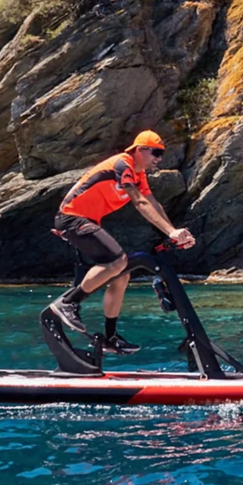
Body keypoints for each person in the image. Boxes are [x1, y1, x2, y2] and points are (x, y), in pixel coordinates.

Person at [49, 131, 195, 354]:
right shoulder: (122, 164)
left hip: (85, 221)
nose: (159, 159)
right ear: (140, 150)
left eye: (161, 154)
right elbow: (139, 203)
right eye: (156, 152)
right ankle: (68, 303)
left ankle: (110, 338)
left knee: (123, 273)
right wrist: (171, 232)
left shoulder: (139, 174)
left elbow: (152, 203)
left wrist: (174, 231)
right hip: (71, 218)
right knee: (118, 260)